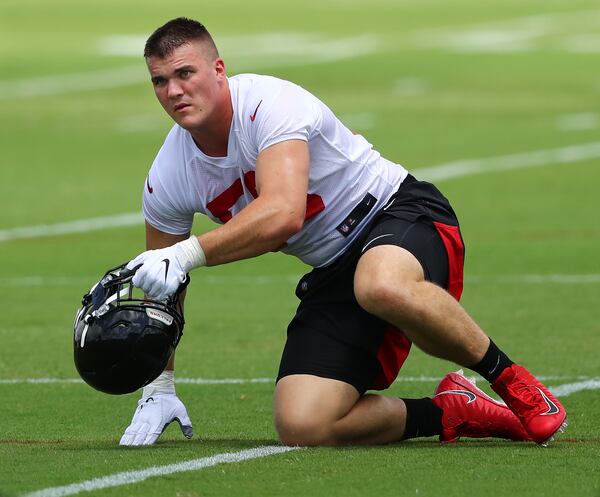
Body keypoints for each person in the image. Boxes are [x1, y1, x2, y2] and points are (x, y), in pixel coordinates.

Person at [118, 17, 566, 447]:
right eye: (160, 81)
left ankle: (512, 380)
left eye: (185, 73)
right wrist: (159, 385)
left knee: (381, 284)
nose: (174, 90)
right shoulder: (168, 174)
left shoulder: (267, 104)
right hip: (334, 266)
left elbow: (283, 214)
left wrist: (188, 253)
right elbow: (162, 285)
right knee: (303, 422)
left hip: (397, 214)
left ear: (219, 70)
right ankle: (452, 410)